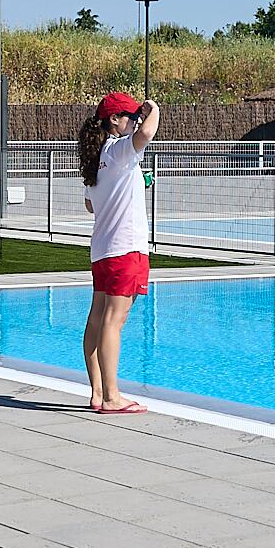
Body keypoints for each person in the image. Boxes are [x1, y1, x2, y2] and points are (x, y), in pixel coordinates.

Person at [78, 91, 160, 413]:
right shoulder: (119, 150)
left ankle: (98, 392)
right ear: (114, 120)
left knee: (98, 319)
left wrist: (135, 182)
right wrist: (154, 108)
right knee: (115, 320)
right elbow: (147, 133)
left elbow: (90, 204)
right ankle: (112, 397)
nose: (135, 120)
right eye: (130, 115)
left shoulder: (98, 159)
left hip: (103, 250)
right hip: (125, 249)